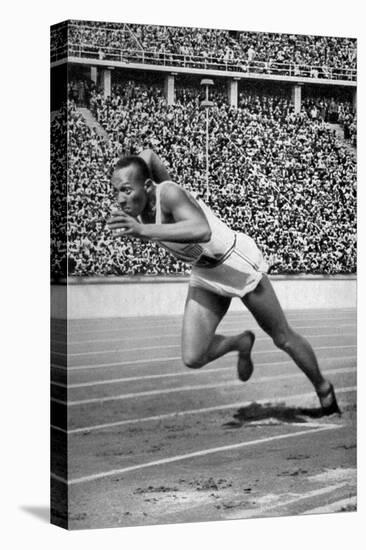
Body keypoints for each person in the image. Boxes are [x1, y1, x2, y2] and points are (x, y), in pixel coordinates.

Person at [107, 149, 341, 415]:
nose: (121, 199)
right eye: (116, 191)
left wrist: (144, 230)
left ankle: (324, 390)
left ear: (147, 185)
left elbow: (202, 230)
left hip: (234, 262)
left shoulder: (169, 194)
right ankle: (240, 343)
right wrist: (136, 176)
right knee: (192, 357)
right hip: (205, 274)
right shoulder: (137, 209)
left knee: (282, 337)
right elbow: (147, 155)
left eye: (127, 189)